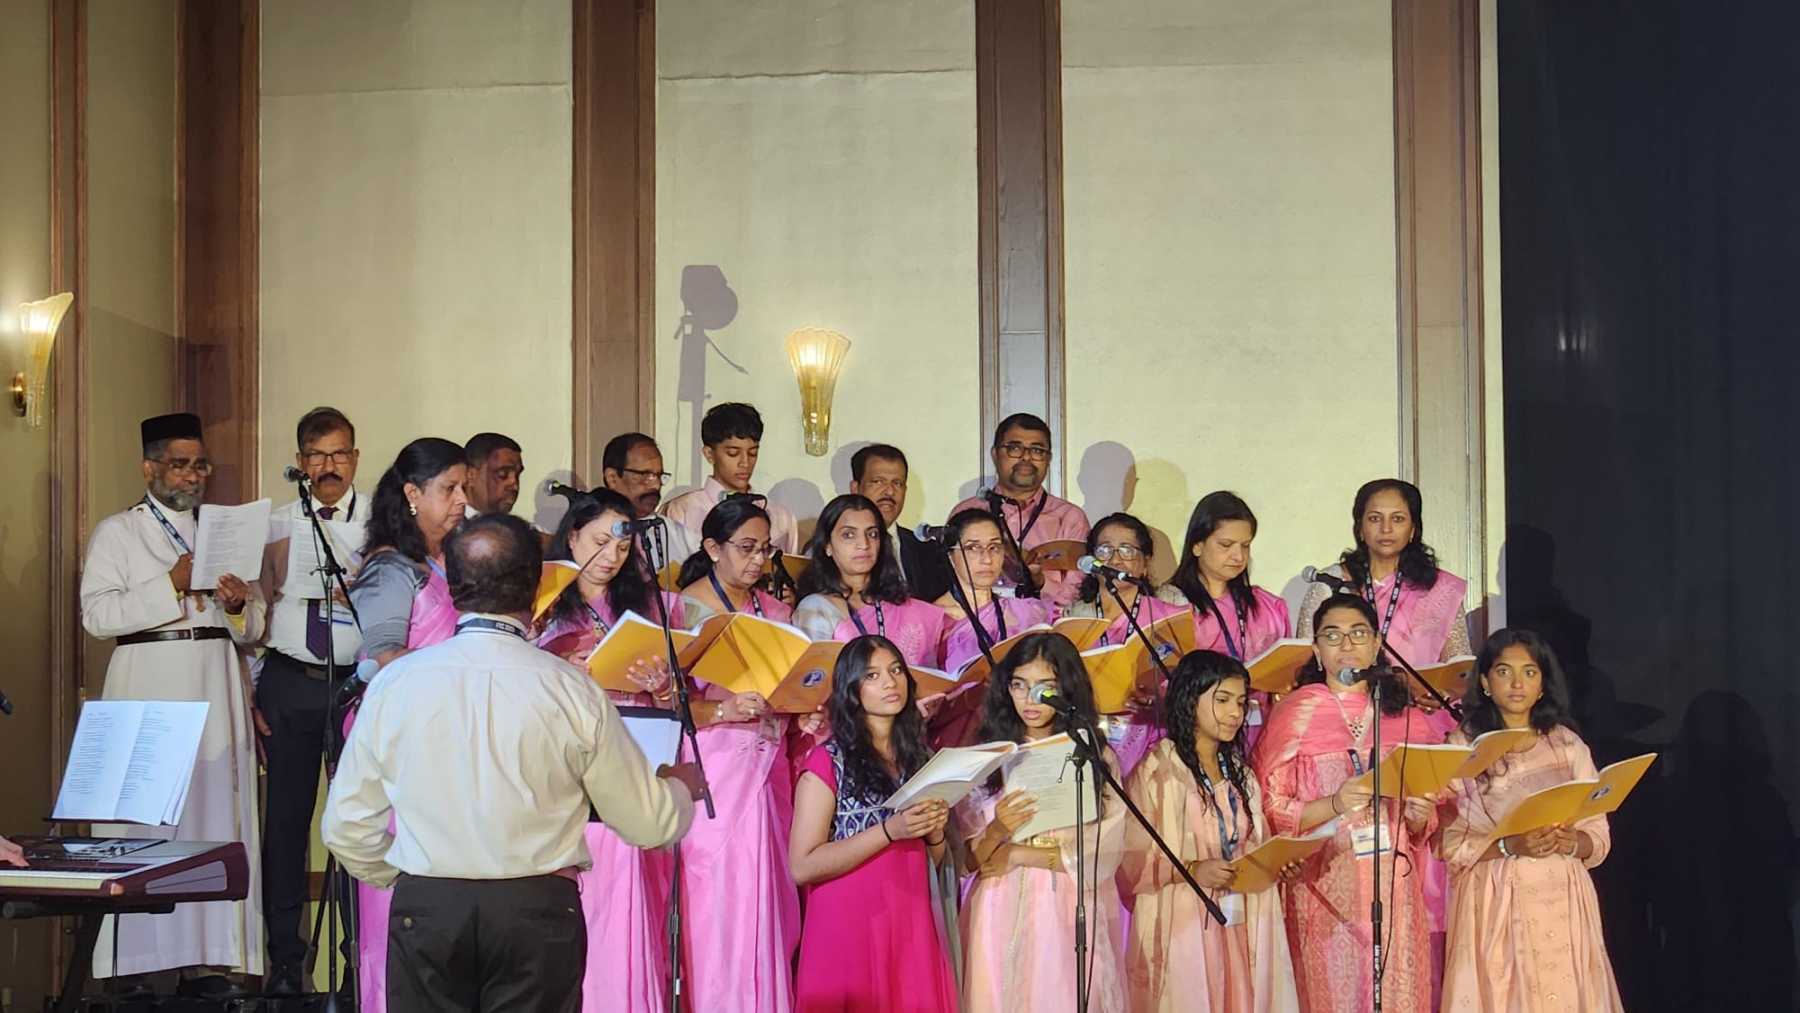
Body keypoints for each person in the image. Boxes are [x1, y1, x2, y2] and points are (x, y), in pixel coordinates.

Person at [322, 514, 704, 1013]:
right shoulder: (569, 688)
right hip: (536, 908)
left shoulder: (398, 683)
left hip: (431, 905)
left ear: (453, 588)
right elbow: (647, 823)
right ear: (537, 585)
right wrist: (679, 789)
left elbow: (346, 827)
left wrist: (407, 878)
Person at [78, 412, 265, 996]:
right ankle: (136, 966)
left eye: (199, 465)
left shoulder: (222, 531)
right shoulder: (118, 532)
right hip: (147, 681)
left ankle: (209, 960)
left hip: (215, 682)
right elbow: (97, 616)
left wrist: (237, 605)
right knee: (143, 821)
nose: (192, 476)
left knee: (213, 818)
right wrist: (170, 584)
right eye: (180, 464)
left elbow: (256, 624)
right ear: (149, 468)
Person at [1294, 478, 1470, 994]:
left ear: (1414, 526)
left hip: (1415, 730)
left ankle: (1414, 985)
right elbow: (1307, 654)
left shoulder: (1440, 590)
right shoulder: (1331, 584)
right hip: (1344, 729)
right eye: (1375, 518)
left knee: (1421, 867)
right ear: (1359, 525)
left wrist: (1436, 692)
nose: (1386, 529)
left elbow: (1460, 666)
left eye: (1397, 519)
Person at [535, 488, 688, 1012]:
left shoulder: (646, 604)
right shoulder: (543, 600)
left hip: (632, 753)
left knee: (633, 890)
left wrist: (661, 685)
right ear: (573, 535)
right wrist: (560, 667)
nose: (611, 556)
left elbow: (674, 695)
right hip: (568, 767)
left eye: (622, 547)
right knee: (587, 898)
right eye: (600, 541)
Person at [1249, 593, 1440, 1012]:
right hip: (1322, 882)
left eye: (1358, 633)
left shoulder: (1404, 716)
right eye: (1332, 635)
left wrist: (1419, 817)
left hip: (1393, 882)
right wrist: (1333, 804)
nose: (1347, 644)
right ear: (1316, 650)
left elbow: (1428, 819)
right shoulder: (1294, 712)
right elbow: (1269, 807)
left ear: (1376, 645)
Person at [344, 436, 470, 1011]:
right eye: (449, 489)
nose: (462, 500)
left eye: (464, 487)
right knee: (397, 903)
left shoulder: (450, 562)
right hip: (400, 746)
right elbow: (384, 659)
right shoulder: (390, 569)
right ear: (413, 494)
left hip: (451, 743)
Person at [1438, 629, 1624, 1011]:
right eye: (1504, 672)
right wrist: (1509, 845)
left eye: (1529, 672)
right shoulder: (1461, 748)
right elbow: (1449, 842)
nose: (1517, 683)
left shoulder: (1566, 743)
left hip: (1562, 895)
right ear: (1485, 682)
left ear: (1542, 685)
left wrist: (1574, 842)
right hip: (1495, 898)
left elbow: (1598, 832)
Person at [673, 497, 802, 1011]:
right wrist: (723, 710)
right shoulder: (683, 610)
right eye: (746, 548)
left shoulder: (778, 612)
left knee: (770, 897)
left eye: (765, 549)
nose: (757, 560)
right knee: (717, 900)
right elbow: (670, 705)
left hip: (770, 763)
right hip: (714, 766)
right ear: (712, 548)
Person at [955, 632, 1128, 1012]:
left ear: (1066, 689)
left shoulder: (1093, 756)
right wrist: (998, 830)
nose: (1030, 699)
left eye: (1044, 687)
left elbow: (1106, 847)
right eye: (1019, 685)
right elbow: (967, 861)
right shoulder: (986, 757)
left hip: (1067, 900)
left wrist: (1019, 854)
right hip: (998, 902)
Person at [256, 406, 365, 994]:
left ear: (355, 459)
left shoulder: (380, 523)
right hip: (289, 679)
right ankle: (284, 965)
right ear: (300, 462)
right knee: (286, 823)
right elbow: (250, 618)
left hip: (355, 684)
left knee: (356, 820)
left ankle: (356, 964)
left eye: (339, 453)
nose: (329, 466)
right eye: (317, 455)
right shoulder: (273, 524)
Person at [1121, 650, 1299, 1012]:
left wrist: (1275, 865)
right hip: (1185, 922)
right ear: (1190, 699)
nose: (1235, 713)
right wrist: (1190, 869)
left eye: (1241, 702)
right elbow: (1130, 862)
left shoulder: (1239, 772)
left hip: (1240, 916)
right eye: (1222, 700)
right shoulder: (1159, 770)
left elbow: (1253, 841)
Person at [789, 636, 959, 1012]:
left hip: (910, 920)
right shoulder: (828, 761)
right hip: (850, 925)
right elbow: (802, 865)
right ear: (852, 689)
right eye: (872, 675)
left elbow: (931, 861)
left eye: (896, 670)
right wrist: (888, 832)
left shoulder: (920, 757)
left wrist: (934, 834)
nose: (889, 682)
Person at [1061, 512, 1190, 773]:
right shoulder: (1072, 620)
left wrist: (1160, 697)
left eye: (1127, 550)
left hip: (1156, 742)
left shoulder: (1169, 617)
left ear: (1145, 563)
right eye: (1105, 550)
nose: (1115, 559)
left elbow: (1188, 681)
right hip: (1090, 740)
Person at [1165, 492, 1294, 752]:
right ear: (1197, 545)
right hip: (1196, 736)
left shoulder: (1268, 606)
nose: (1238, 556)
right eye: (1226, 545)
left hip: (1259, 732)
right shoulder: (1171, 604)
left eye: (1245, 546)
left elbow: (1287, 670)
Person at [930, 508, 1052, 748]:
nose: (987, 558)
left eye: (994, 547)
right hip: (958, 737)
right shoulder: (932, 619)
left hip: (1020, 731)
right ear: (950, 555)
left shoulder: (1025, 611)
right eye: (973, 548)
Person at [950, 413, 1090, 608]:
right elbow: (949, 580)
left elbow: (1077, 595)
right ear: (995, 454)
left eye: (1037, 450)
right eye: (1014, 448)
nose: (1026, 457)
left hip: (1045, 625)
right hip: (976, 621)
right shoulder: (968, 511)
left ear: (1048, 459)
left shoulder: (1069, 518)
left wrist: (1041, 583)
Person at [661, 402, 800, 553]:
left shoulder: (780, 516)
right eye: (733, 453)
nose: (745, 463)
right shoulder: (681, 511)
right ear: (709, 454)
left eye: (752, 453)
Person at [848, 443, 953, 602]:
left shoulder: (928, 551)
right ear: (855, 489)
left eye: (897, 483)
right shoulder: (837, 550)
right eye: (878, 481)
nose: (890, 491)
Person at [599, 431, 696, 569]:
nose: (656, 485)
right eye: (645, 475)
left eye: (659, 476)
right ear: (612, 478)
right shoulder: (590, 532)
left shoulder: (677, 534)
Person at [462, 432, 523, 517]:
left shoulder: (518, 525)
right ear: (470, 475)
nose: (515, 487)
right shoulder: (446, 523)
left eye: (517, 475)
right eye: (503, 474)